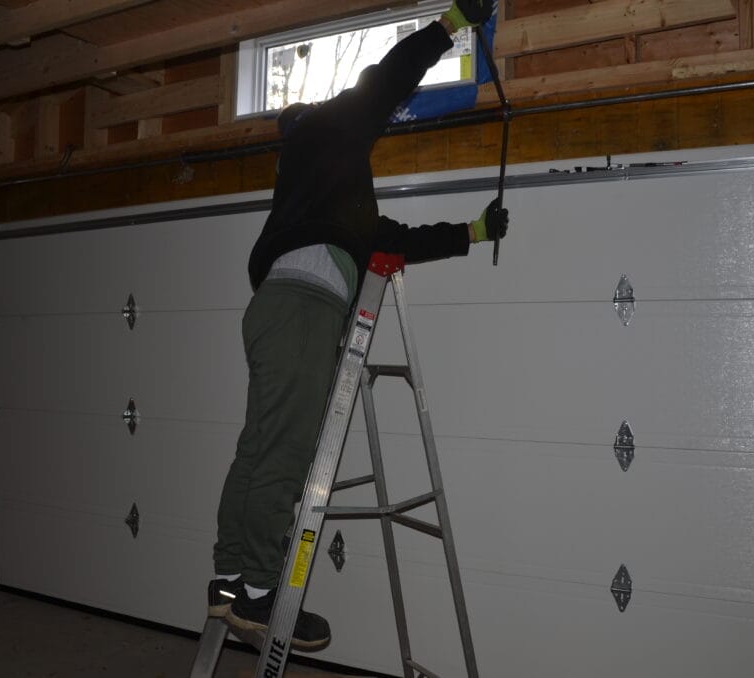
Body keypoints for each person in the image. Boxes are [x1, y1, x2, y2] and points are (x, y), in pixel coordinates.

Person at [208, 0, 507, 652]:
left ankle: (229, 584)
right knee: (282, 457)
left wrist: (473, 233)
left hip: (275, 310)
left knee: (258, 449)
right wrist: (453, 24)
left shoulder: (326, 198)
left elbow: (392, 240)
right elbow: (389, 77)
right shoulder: (329, 130)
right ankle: (259, 599)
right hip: (304, 311)